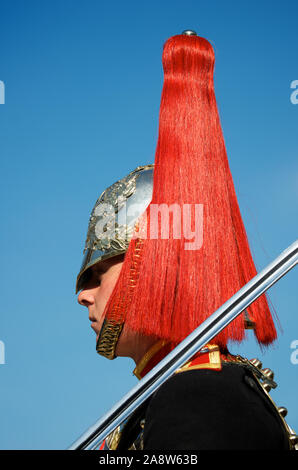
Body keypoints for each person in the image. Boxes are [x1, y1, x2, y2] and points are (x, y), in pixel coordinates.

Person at [76, 31, 295, 450]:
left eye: (101, 271)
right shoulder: (175, 388)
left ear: (153, 264)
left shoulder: (198, 394)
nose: (84, 295)